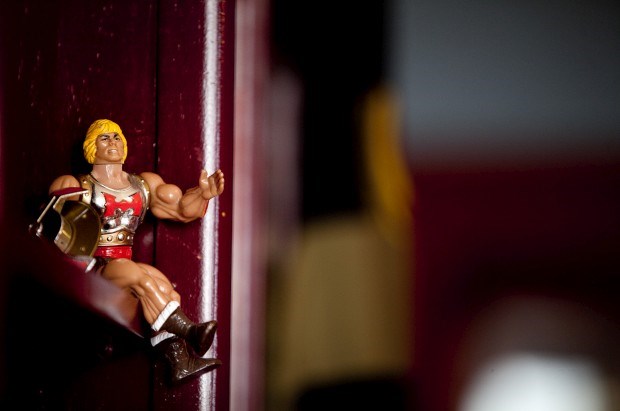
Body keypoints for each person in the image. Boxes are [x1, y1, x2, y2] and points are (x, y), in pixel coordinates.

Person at [49, 119, 225, 382]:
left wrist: (202, 194)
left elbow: (180, 209)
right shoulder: (81, 185)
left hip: (124, 263)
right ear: (91, 147)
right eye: (104, 138)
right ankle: (190, 330)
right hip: (95, 268)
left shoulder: (142, 185)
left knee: (166, 289)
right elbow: (54, 222)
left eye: (116, 137)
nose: (112, 142)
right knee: (135, 275)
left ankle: (180, 363)